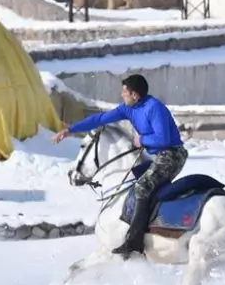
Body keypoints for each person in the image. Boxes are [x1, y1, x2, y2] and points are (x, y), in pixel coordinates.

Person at [52, 74, 188, 259]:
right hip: (155, 155)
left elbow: (163, 139)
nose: (121, 94)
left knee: (142, 187)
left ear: (135, 95)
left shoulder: (154, 108)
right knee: (132, 183)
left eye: (124, 92)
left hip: (172, 154)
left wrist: (142, 140)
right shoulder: (128, 109)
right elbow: (100, 119)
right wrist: (70, 130)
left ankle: (135, 240)